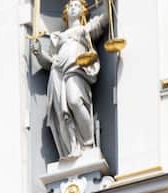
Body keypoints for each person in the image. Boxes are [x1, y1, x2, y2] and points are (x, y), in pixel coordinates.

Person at [29, 0, 111, 161]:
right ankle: (71, 148)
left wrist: (110, 4)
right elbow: (50, 62)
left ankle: (87, 144)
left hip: (76, 70)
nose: (73, 8)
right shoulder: (58, 37)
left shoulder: (85, 30)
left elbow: (104, 20)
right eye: (71, 6)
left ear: (83, 11)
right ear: (66, 12)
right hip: (57, 72)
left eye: (77, 6)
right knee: (60, 113)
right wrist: (39, 53)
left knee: (74, 101)